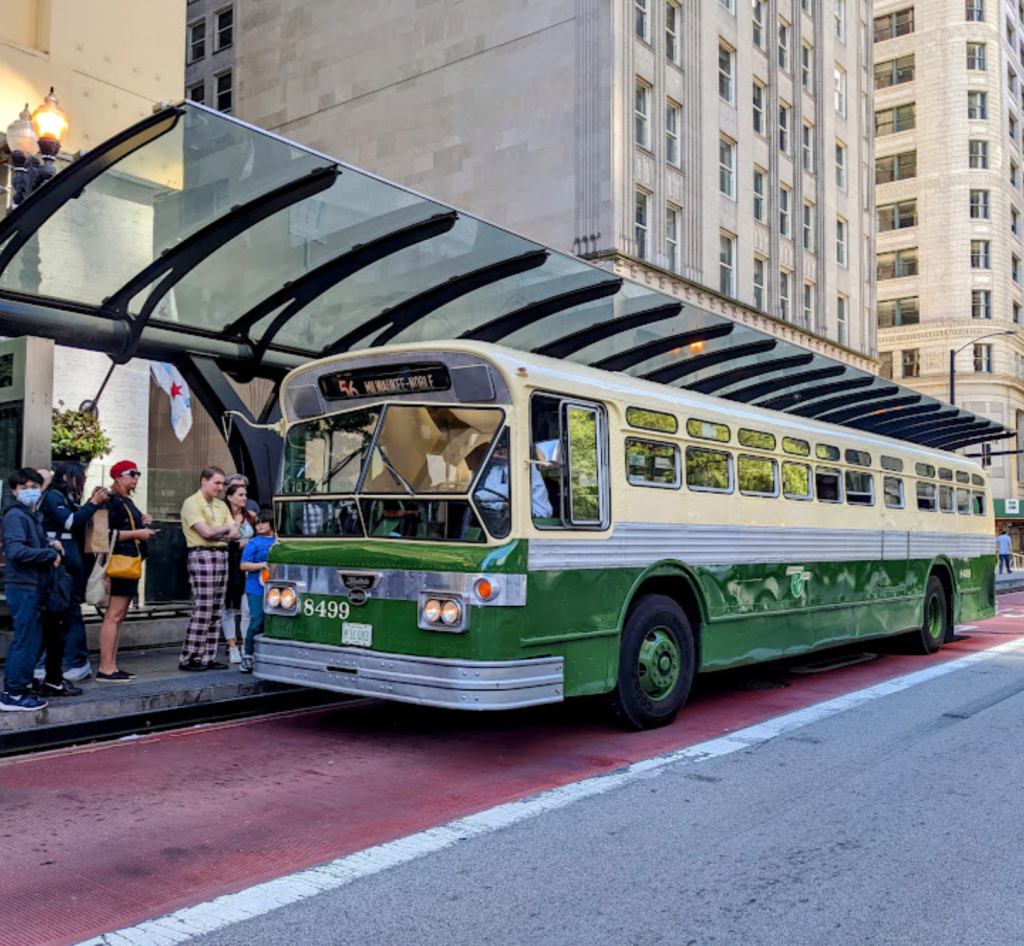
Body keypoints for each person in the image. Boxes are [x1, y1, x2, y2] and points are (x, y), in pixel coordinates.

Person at [37, 461, 108, 690]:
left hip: (71, 566)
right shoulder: (54, 497)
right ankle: (65, 662)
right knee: (62, 614)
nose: (84, 480)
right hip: (61, 565)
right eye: (81, 476)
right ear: (67, 477)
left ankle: (72, 662)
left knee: (67, 613)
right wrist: (92, 504)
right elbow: (70, 522)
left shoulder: (66, 499)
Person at [0, 468, 62, 712]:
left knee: (30, 639)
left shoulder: (29, 516)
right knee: (25, 640)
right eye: (23, 488)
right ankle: (13, 692)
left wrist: (47, 543)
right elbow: (15, 552)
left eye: (34, 487)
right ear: (14, 492)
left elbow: (26, 545)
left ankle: (20, 687)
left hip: (32, 586)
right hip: (23, 586)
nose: (30, 492)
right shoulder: (16, 516)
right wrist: (49, 553)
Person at [98, 460, 156, 682]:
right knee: (114, 615)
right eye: (132, 474)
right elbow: (103, 535)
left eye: (137, 474)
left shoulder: (124, 501)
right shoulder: (110, 501)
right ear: (118, 477)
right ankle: (106, 666)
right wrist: (137, 533)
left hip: (128, 561)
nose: (135, 479)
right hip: (119, 562)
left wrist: (141, 523)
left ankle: (111, 665)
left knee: (118, 615)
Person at [179, 466, 238, 671]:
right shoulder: (192, 503)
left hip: (220, 554)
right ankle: (190, 656)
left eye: (222, 483)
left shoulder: (221, 505)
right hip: (201, 553)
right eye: (217, 483)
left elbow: (235, 533)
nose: (221, 488)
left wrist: (216, 532)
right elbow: (206, 532)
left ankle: (207, 656)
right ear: (204, 481)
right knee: (203, 607)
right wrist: (223, 530)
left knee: (216, 608)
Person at [221, 481, 256, 663]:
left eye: (245, 495)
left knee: (246, 609)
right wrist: (235, 545)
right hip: (228, 563)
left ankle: (245, 645)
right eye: (240, 495)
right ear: (230, 497)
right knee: (228, 608)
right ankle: (232, 646)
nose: (244, 498)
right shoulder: (222, 517)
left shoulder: (250, 517)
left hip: (247, 564)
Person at [238, 510, 276, 673]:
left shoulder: (279, 542)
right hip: (256, 587)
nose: (259, 525)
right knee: (257, 619)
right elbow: (243, 565)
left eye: (263, 522)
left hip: (277, 589)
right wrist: (263, 565)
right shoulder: (253, 543)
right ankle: (248, 655)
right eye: (257, 522)